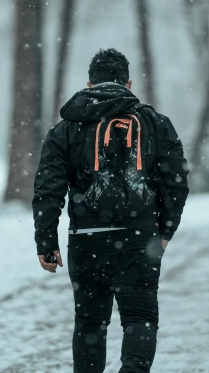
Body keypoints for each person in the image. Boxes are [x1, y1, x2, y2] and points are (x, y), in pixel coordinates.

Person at [32, 48, 189, 373]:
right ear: (128, 83)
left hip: (87, 241)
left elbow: (48, 189)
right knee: (140, 318)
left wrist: (46, 242)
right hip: (139, 239)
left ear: (89, 84)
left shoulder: (65, 129)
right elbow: (176, 182)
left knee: (89, 323)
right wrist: (164, 232)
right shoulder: (156, 124)